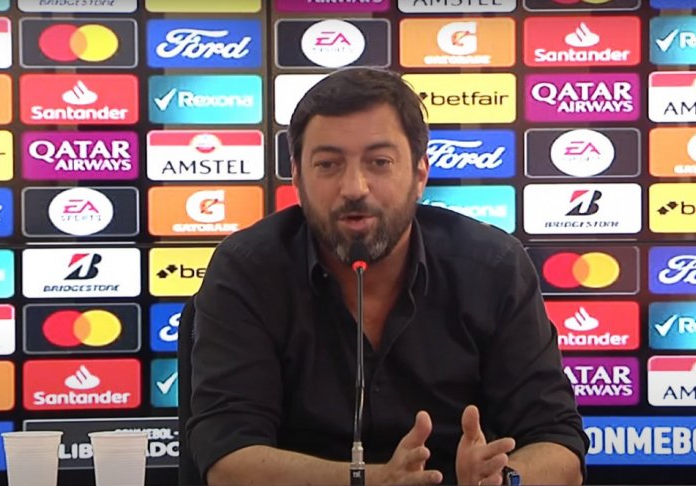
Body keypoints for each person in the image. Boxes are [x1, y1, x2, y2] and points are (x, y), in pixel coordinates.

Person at [187, 67, 588, 486]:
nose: (354, 187)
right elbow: (228, 460)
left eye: (379, 162)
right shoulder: (249, 269)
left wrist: (504, 479)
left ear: (419, 174)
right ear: (298, 180)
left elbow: (558, 444)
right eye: (328, 164)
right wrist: (375, 482)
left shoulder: (493, 267)